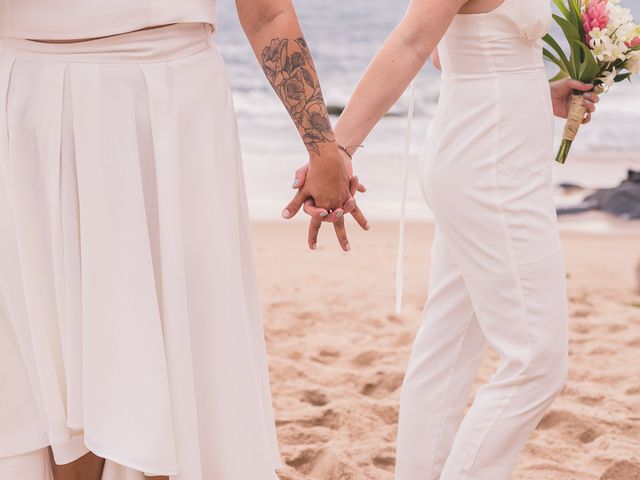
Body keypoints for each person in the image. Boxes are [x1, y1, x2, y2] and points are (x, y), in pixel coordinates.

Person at [0, 0, 362, 479]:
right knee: (51, 347)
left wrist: (323, 148)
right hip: (26, 101)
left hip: (172, 106)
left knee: (177, 338)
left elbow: (268, 11)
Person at [289, 0, 600, 478]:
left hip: (492, 155)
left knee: (449, 347)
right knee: (538, 361)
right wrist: (336, 152)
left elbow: (449, 51)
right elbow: (413, 41)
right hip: (490, 167)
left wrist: (540, 92)